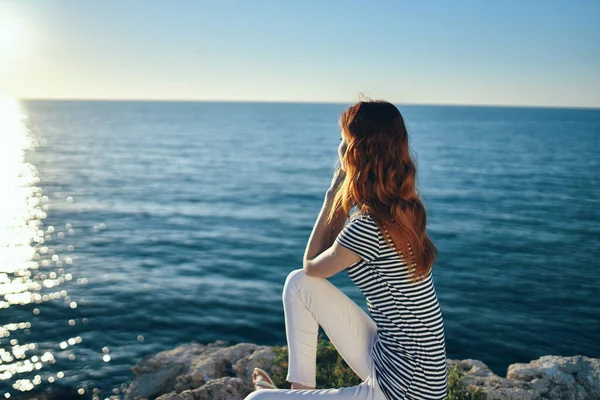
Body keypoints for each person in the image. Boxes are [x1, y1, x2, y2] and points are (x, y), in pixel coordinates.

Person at [244, 100, 448, 400]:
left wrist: (333, 193)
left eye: (343, 140)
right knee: (298, 283)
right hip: (401, 364)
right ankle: (300, 392)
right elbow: (315, 268)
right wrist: (346, 192)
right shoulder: (407, 210)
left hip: (402, 392)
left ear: (354, 152)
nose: (339, 147)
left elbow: (313, 263)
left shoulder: (369, 226)